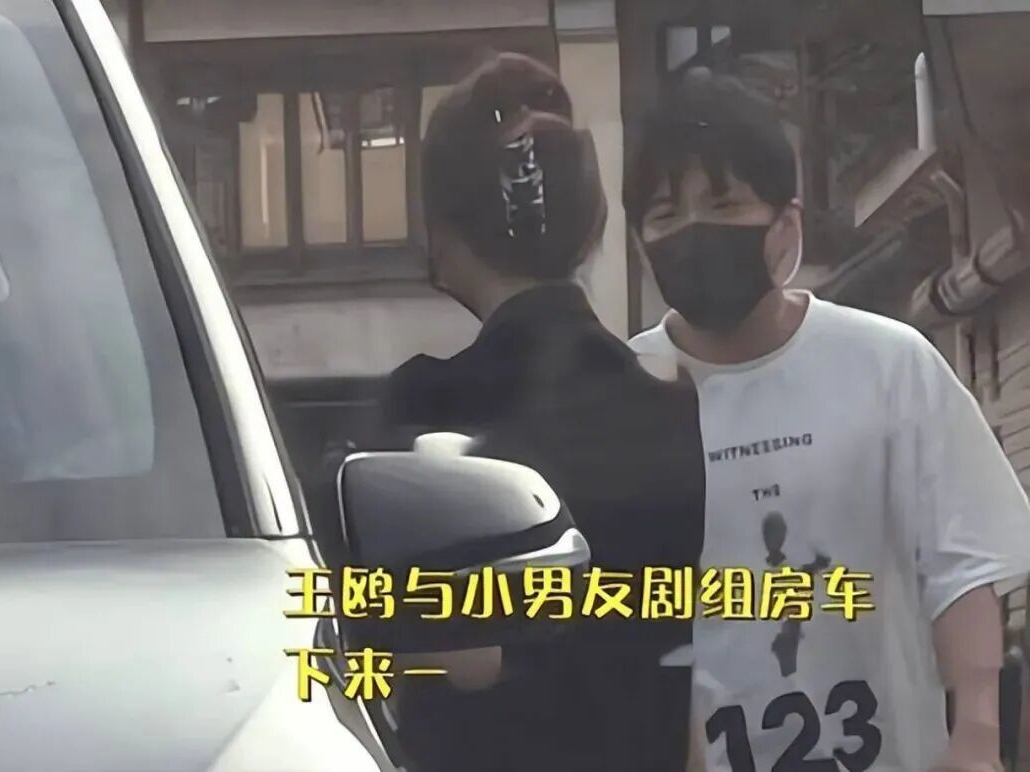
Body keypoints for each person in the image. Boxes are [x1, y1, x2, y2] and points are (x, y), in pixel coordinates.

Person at [625, 69, 1030, 772]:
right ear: (640, 242)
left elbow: (963, 565)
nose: (693, 233)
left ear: (785, 227)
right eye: (666, 215)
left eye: (724, 204)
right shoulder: (625, 391)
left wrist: (976, 732)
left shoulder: (888, 364)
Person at [375, 52, 706, 772]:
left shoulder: (423, 415)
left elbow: (414, 657)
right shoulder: (676, 410)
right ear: (591, 230)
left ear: (442, 236)